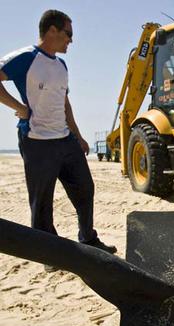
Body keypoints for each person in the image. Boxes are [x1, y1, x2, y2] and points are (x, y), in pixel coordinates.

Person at [0, 9, 117, 270]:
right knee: (42, 200)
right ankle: (47, 255)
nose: (71, 40)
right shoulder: (25, 58)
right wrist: (16, 106)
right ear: (52, 31)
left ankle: (88, 238)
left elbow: (65, 103)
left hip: (65, 139)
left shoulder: (61, 65)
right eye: (68, 33)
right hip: (36, 140)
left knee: (85, 188)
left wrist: (78, 135)